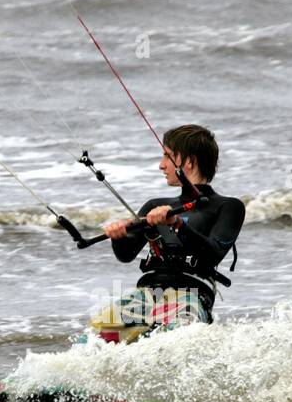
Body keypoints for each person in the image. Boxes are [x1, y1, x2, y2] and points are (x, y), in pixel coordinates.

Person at [91, 125, 245, 342]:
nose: (161, 165)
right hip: (147, 295)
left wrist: (176, 224)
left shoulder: (228, 207)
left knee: (172, 341)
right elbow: (125, 255)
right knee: (93, 342)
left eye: (168, 156)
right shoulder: (156, 205)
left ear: (189, 162)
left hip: (191, 295)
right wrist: (119, 237)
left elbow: (213, 253)